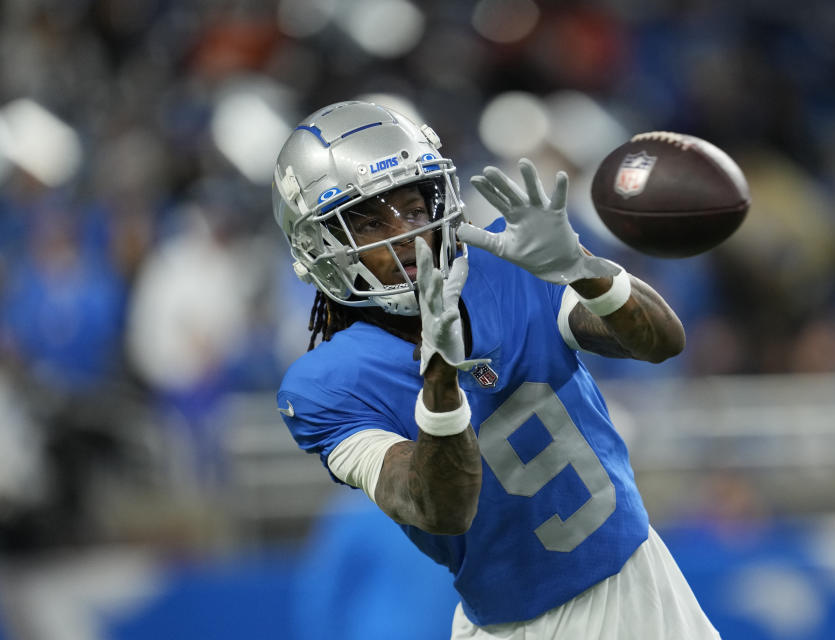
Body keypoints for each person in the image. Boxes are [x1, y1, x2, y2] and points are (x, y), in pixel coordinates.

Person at [272, 100, 719, 639]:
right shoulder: (324, 385)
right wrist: (439, 383)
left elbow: (661, 342)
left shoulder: (508, 266)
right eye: (368, 222)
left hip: (641, 585)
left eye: (415, 209)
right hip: (514, 628)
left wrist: (583, 268)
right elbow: (439, 509)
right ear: (320, 246)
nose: (408, 235)